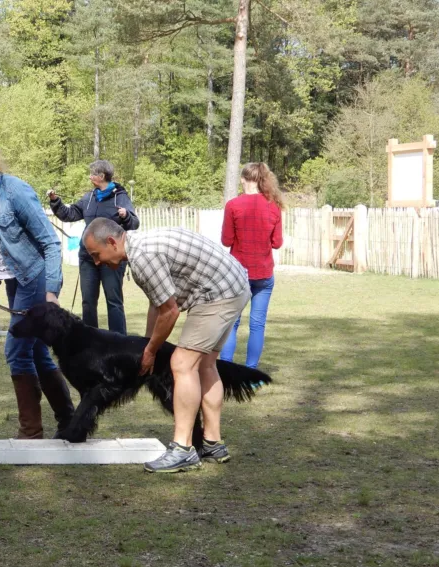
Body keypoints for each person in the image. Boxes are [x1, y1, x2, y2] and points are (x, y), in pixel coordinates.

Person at [82, 217, 250, 473]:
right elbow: (158, 303)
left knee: (181, 364)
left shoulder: (143, 258)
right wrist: (146, 344)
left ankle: (182, 450)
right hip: (235, 285)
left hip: (218, 295)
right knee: (206, 365)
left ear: (112, 242)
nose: (97, 262)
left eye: (97, 254)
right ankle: (213, 443)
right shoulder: (142, 245)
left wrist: (150, 352)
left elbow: (170, 312)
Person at [0, 142, 75, 439]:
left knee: (16, 350)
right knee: (36, 352)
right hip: (13, 281)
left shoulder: (17, 192)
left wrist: (52, 291)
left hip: (35, 279)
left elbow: (50, 243)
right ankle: (70, 421)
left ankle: (30, 433)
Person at [47, 160, 140, 334]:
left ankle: (118, 342)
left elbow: (134, 223)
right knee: (88, 302)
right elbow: (69, 214)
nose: (90, 176)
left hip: (111, 258)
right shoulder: (89, 198)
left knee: (114, 301)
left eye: (92, 174)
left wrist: (126, 215)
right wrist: (55, 201)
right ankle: (90, 342)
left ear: (101, 176)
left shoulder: (120, 197)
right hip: (88, 258)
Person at [219, 162, 284, 369]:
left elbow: (226, 240)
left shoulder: (233, 206)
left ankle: (227, 370)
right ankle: (251, 372)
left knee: (231, 323)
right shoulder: (273, 206)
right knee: (257, 324)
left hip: (238, 273)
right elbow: (277, 242)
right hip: (263, 274)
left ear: (243, 179)